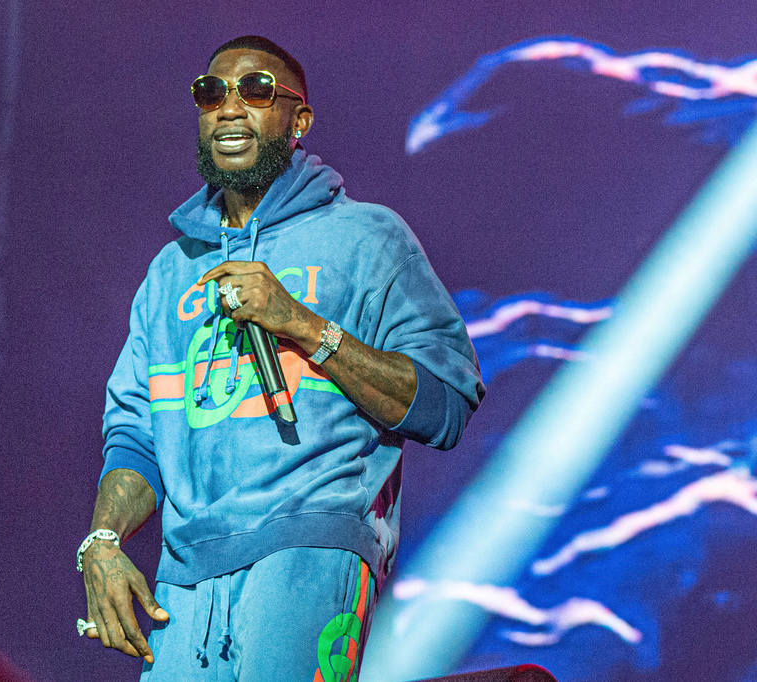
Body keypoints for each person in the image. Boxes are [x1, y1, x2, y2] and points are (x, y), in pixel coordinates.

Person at [77, 35, 485, 682]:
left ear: (299, 121)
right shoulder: (168, 273)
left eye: (257, 90)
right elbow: (134, 437)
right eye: (212, 93)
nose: (230, 108)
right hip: (184, 581)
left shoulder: (368, 240)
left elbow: (444, 404)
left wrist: (300, 323)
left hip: (313, 551)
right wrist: (102, 542)